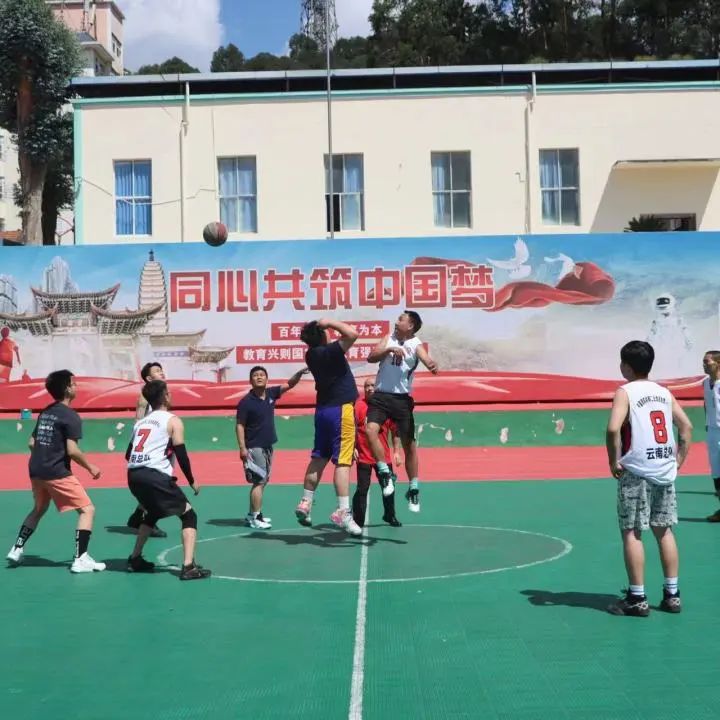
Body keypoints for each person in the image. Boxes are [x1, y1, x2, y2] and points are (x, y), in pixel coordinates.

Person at [606, 340, 693, 616]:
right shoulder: (663, 392)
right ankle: (672, 595)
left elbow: (613, 429)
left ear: (625, 366)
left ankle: (637, 598)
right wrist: (678, 461)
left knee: (632, 532)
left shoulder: (625, 392)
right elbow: (686, 426)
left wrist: (613, 460)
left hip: (637, 471)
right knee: (664, 531)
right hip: (663, 470)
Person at [6, 370, 105, 573]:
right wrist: (91, 467)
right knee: (87, 510)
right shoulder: (71, 416)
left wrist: (44, 457)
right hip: (56, 472)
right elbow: (72, 450)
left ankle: (17, 549)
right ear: (67, 388)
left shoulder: (46, 412)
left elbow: (31, 442)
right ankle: (80, 559)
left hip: (36, 470)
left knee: (39, 509)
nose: (77, 386)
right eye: (74, 383)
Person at [125, 379, 210, 581]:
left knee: (152, 513)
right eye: (168, 392)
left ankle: (135, 559)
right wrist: (191, 480)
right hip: (154, 476)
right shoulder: (173, 420)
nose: (170, 395)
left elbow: (129, 454)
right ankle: (188, 567)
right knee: (189, 516)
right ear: (164, 397)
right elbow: (181, 453)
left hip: (134, 475)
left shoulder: (141, 423)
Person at [294, 318, 362, 536]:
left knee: (319, 458)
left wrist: (323, 327)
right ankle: (343, 510)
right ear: (323, 335)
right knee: (343, 461)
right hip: (341, 411)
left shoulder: (311, 355)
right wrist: (330, 322)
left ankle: (306, 501)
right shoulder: (329, 351)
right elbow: (352, 334)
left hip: (322, 411)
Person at [366, 310, 438, 512]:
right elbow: (371, 357)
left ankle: (413, 488)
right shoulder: (388, 338)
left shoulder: (416, 344)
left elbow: (426, 358)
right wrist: (388, 350)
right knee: (370, 431)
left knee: (409, 446)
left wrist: (431, 364)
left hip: (401, 400)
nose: (396, 322)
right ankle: (384, 472)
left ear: (411, 326)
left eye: (401, 320)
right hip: (381, 396)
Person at [236, 364, 307, 529]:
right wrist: (242, 448)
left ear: (267, 379)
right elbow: (240, 425)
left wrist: (298, 373)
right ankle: (256, 517)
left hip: (267, 445)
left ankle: (251, 514)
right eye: (255, 375)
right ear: (250, 381)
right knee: (259, 482)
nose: (259, 377)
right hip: (254, 447)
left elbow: (289, 384)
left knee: (263, 480)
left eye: (262, 375)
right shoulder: (246, 402)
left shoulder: (271, 393)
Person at [352, 378, 402, 528]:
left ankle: (390, 515)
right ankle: (358, 521)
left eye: (372, 385)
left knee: (389, 486)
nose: (369, 388)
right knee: (362, 489)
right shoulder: (358, 406)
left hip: (383, 457)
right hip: (364, 456)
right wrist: (353, 448)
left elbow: (395, 431)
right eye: (366, 386)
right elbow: (351, 428)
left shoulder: (386, 407)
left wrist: (397, 452)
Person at [126, 361, 167, 538]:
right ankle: (147, 521)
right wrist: (135, 447)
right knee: (157, 485)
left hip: (158, 445)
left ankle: (137, 517)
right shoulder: (145, 397)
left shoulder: (161, 395)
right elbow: (138, 421)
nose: (162, 372)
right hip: (147, 449)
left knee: (156, 486)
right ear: (149, 378)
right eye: (157, 371)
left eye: (162, 370)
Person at [701, 350, 720, 522]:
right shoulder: (706, 383)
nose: (704, 365)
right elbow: (706, 404)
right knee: (716, 470)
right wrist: (708, 423)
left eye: (707, 362)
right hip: (713, 431)